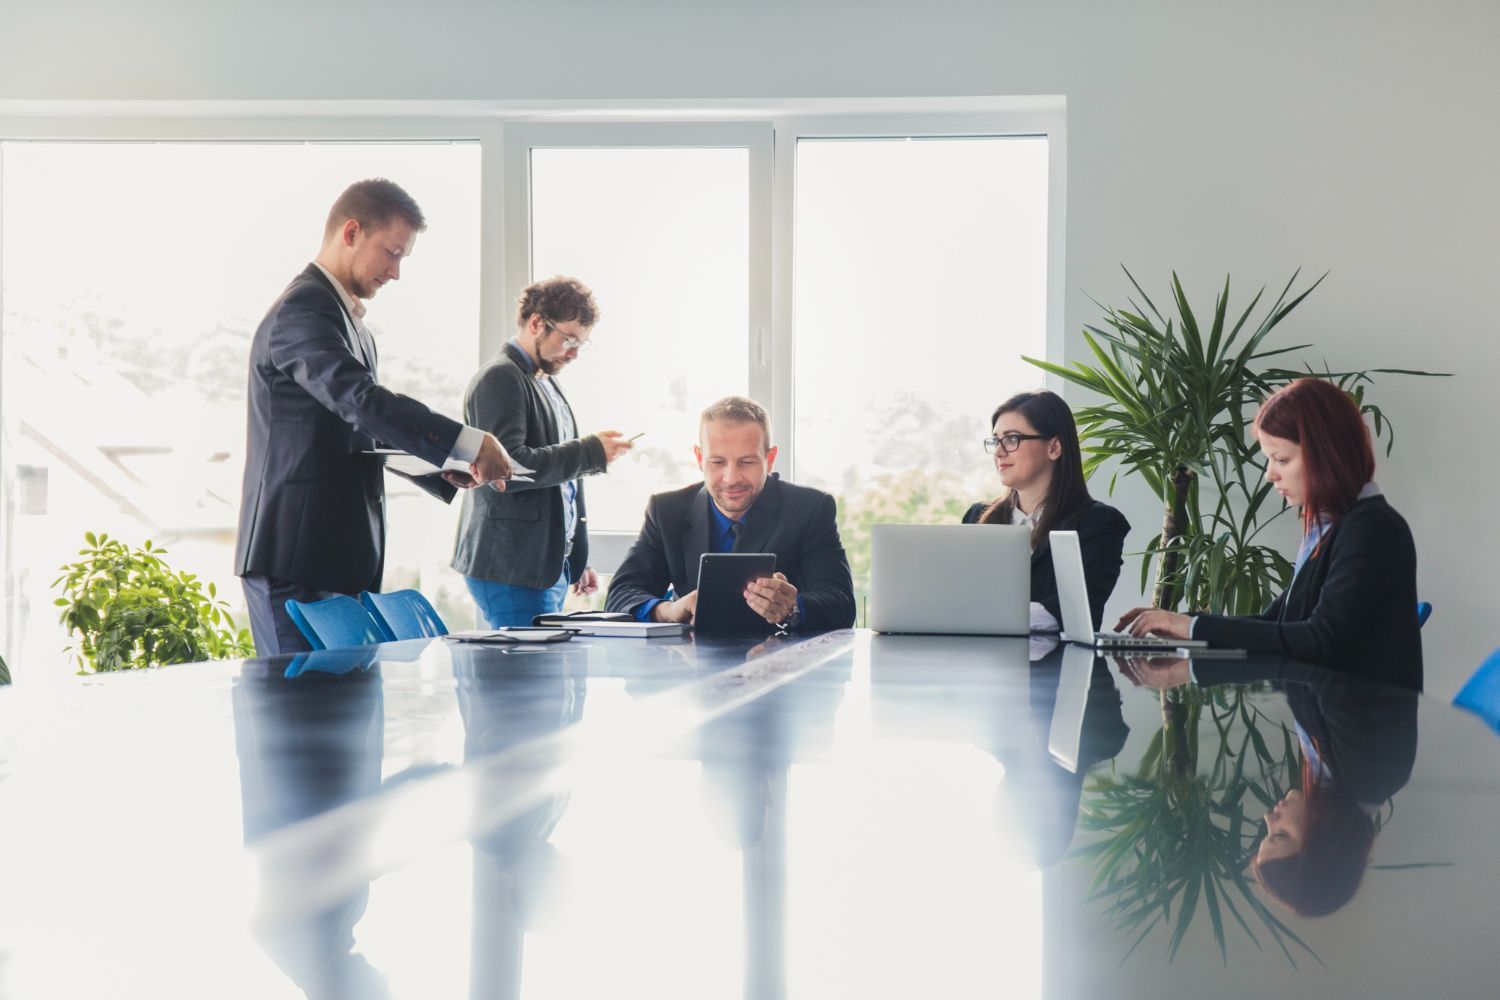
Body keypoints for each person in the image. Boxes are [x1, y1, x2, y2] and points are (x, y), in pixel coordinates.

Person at [235, 178, 514, 656]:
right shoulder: (302, 310)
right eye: (392, 252)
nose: (396, 271)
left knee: (341, 724)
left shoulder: (349, 323)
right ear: (351, 233)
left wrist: (437, 466)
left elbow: (355, 428)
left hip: (333, 559)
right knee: (298, 721)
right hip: (295, 562)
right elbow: (360, 401)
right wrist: (469, 443)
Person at [1116, 377, 1423, 689]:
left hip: (1362, 729)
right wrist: (1185, 626)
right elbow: (1276, 624)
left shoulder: (1371, 529)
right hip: (1330, 721)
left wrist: (1191, 628)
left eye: (1282, 459)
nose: (1269, 474)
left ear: (1326, 455)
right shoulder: (1332, 528)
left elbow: (1319, 639)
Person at [451, 277, 633, 626]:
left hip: (540, 567)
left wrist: (569, 557)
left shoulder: (544, 378)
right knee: (524, 680)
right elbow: (508, 469)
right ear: (536, 324)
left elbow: (559, 485)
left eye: (581, 343)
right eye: (568, 340)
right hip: (513, 569)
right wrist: (591, 452)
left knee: (539, 678)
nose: (574, 353)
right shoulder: (500, 378)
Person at [605, 395, 855, 631]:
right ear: (699, 458)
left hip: (781, 664)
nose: (731, 478)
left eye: (747, 462)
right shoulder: (666, 511)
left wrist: (793, 608)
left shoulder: (810, 509)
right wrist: (669, 610)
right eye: (717, 462)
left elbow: (841, 604)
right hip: (691, 666)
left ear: (771, 458)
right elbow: (621, 596)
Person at [962, 390, 1130, 631]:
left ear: (1054, 447)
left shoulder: (1099, 524)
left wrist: (981, 615)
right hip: (979, 663)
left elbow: (1073, 611)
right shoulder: (977, 517)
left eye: (1011, 439)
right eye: (995, 440)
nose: (999, 452)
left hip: (1058, 666)